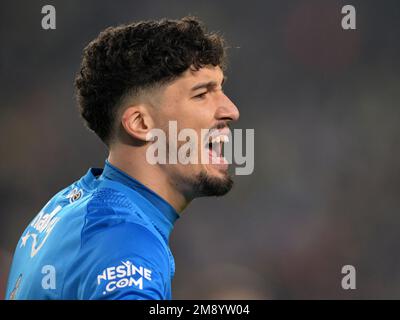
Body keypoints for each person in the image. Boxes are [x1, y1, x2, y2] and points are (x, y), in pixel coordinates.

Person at [6, 16, 239, 300]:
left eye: (221, 89)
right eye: (202, 94)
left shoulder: (66, 206)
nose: (231, 109)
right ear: (141, 124)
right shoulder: (124, 241)